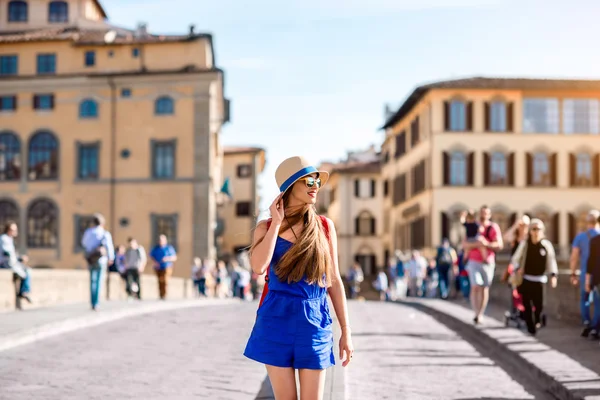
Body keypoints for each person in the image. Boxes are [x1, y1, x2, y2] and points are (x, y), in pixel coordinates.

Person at [244, 156, 353, 399]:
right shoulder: (266, 227)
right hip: (276, 318)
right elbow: (259, 266)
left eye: (316, 181)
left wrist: (346, 330)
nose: (315, 186)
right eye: (308, 181)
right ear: (291, 186)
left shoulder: (324, 227)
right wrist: (276, 225)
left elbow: (334, 280)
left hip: (314, 320)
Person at [511, 219, 558, 335]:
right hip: (526, 279)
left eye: (539, 229)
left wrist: (553, 275)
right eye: (534, 229)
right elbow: (516, 259)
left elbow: (551, 261)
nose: (536, 232)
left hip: (540, 279)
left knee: (539, 305)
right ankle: (530, 327)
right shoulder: (525, 244)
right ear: (530, 231)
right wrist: (518, 269)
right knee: (527, 304)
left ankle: (537, 319)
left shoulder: (546, 245)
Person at [463, 205, 503, 325]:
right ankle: (476, 313)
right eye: (481, 213)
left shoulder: (493, 227)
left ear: (489, 215)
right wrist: (477, 244)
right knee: (475, 285)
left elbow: (499, 245)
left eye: (486, 213)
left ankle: (480, 313)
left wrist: (485, 244)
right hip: (473, 260)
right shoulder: (473, 226)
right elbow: (465, 244)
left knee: (484, 287)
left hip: (488, 261)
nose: (483, 216)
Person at [570, 210, 600, 338]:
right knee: (598, 302)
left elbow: (574, 256)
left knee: (585, 299)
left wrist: (572, 272)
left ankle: (587, 321)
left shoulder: (581, 237)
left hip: (585, 272)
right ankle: (595, 326)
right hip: (598, 273)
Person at [81, 213, 115, 311]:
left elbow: (84, 243)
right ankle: (96, 303)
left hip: (91, 259)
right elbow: (109, 246)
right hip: (101, 260)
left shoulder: (88, 232)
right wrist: (111, 258)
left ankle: (92, 302)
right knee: (99, 281)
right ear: (102, 223)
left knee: (92, 281)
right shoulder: (104, 233)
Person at [0, 221, 32, 306]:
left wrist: (19, 258)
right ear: (8, 230)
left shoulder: (9, 239)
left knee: (26, 270)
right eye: (13, 230)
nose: (15, 232)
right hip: (5, 263)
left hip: (10, 261)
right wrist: (19, 258)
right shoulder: (4, 238)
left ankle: (23, 291)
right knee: (26, 271)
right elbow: (6, 253)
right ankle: (24, 291)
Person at [150, 235, 177, 300]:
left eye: (162, 240)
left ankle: (164, 294)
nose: (160, 241)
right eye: (160, 240)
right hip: (158, 267)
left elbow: (174, 257)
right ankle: (161, 294)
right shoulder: (156, 248)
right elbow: (151, 256)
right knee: (159, 280)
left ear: (165, 241)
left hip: (167, 266)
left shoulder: (169, 248)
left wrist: (167, 258)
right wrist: (155, 262)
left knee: (165, 280)